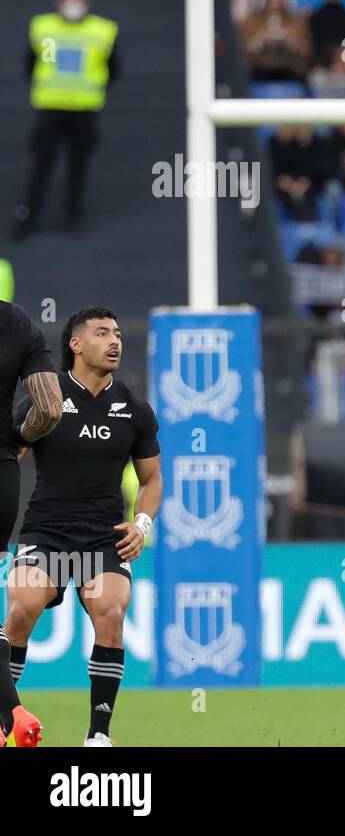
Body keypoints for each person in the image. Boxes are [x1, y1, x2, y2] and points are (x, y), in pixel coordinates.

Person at [6, 307, 161, 747]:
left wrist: (142, 523)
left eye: (117, 333)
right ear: (75, 344)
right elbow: (9, 455)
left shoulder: (134, 409)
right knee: (20, 611)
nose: (115, 341)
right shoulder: (46, 396)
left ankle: (97, 736)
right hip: (47, 531)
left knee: (111, 613)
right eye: (101, 333)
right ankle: (7, 723)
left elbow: (152, 480)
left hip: (104, 536)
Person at [0, 303, 62, 746]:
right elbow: (50, 408)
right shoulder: (17, 323)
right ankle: (9, 715)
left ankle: (11, 712)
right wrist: (18, 438)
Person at [14, 0, 119, 238]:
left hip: (84, 109)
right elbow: (36, 63)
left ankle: (73, 216)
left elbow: (113, 67)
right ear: (59, 1)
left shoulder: (102, 31)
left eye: (78, 0)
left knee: (78, 164)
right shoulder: (46, 29)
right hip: (51, 108)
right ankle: (29, 215)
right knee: (42, 163)